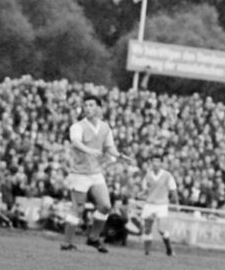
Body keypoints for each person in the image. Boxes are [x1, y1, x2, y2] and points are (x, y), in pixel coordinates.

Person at [61, 94, 135, 253]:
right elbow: (76, 142)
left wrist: (120, 156)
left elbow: (110, 148)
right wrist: (90, 150)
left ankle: (93, 238)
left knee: (106, 206)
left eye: (91, 105)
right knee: (78, 208)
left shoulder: (105, 128)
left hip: (95, 173)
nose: (88, 108)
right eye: (86, 105)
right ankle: (67, 243)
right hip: (79, 173)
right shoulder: (78, 126)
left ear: (99, 108)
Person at [139, 154, 179, 256]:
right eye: (154, 161)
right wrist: (142, 193)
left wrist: (176, 203)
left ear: (161, 163)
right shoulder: (148, 176)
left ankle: (169, 248)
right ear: (151, 163)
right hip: (150, 204)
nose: (156, 164)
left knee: (161, 229)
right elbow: (145, 189)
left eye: (158, 161)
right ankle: (147, 252)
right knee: (147, 229)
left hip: (161, 205)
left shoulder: (167, 175)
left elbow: (173, 190)